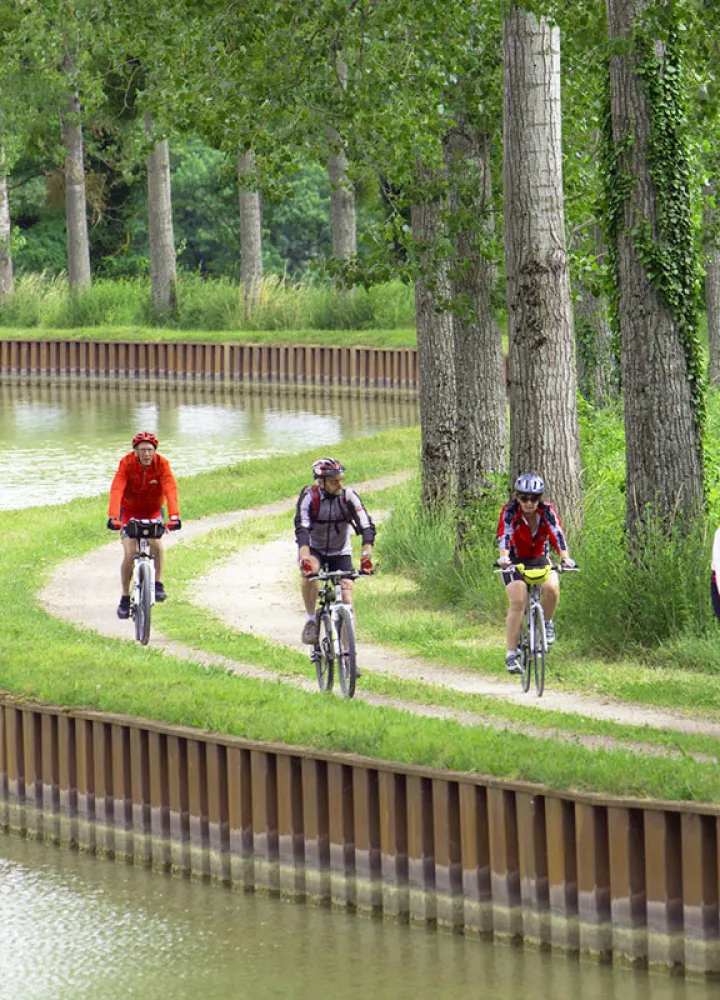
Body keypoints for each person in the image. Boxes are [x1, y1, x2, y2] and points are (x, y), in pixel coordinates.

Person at [497, 473, 575, 674]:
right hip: (514, 560)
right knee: (518, 599)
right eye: (524, 498)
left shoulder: (546, 510)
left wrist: (565, 558)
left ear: (540, 498)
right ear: (517, 497)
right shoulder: (510, 511)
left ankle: (546, 623)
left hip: (539, 557)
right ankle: (511, 654)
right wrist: (504, 557)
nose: (529, 503)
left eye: (533, 498)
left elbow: (557, 533)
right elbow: (504, 535)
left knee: (552, 588)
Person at [295, 457, 375, 645]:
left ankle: (349, 656)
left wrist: (366, 556)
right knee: (309, 575)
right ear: (321, 483)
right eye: (334, 481)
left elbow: (366, 525)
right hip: (315, 549)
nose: (339, 484)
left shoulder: (348, 496)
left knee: (347, 597)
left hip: (341, 552)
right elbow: (302, 528)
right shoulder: (309, 497)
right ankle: (311, 620)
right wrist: (305, 558)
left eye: (341, 479)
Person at [107, 431, 181, 619]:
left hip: (153, 512)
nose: (147, 454)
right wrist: (114, 516)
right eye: (142, 450)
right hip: (129, 513)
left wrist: (174, 516)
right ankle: (125, 597)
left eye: (150, 450)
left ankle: (157, 584)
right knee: (130, 552)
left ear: (155, 451)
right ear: (135, 452)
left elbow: (170, 488)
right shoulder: (126, 463)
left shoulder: (162, 464)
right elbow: (117, 488)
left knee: (156, 545)